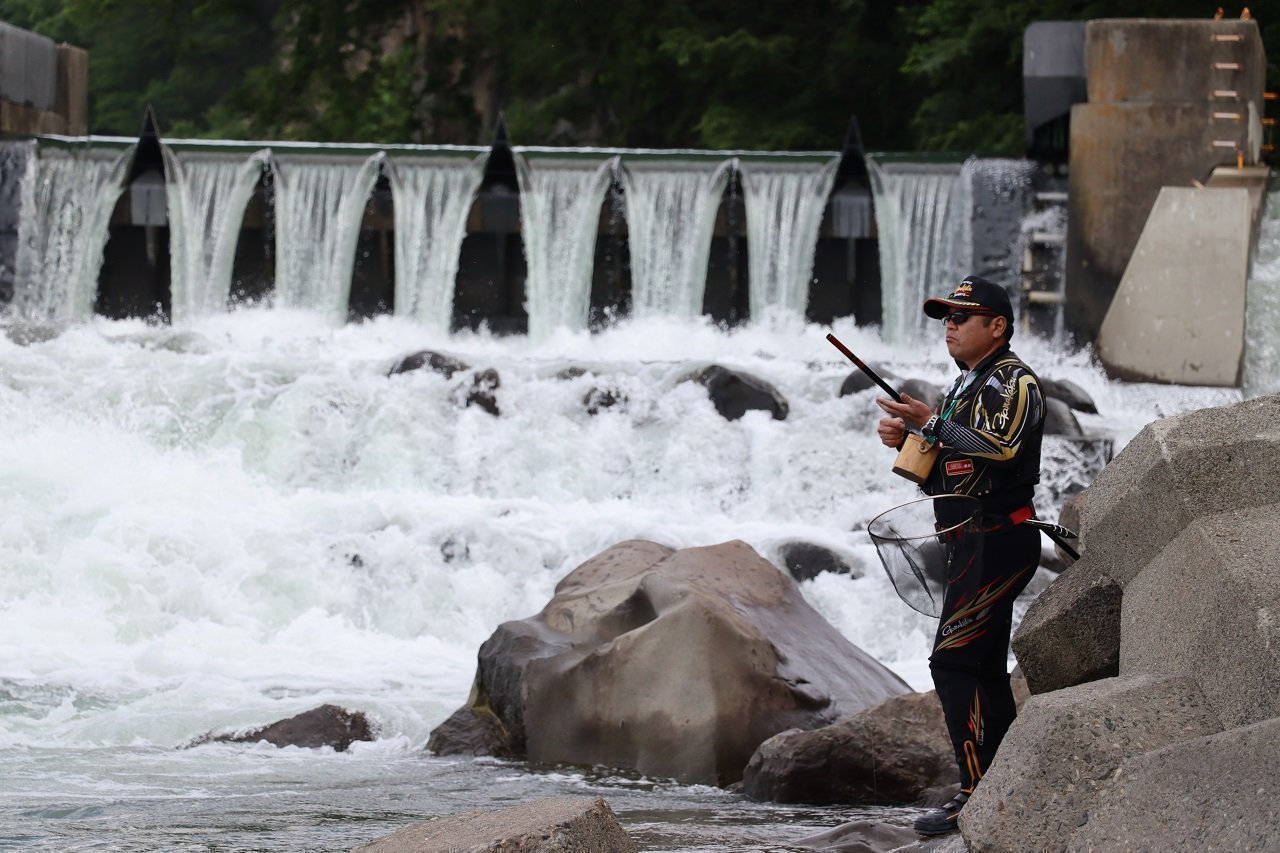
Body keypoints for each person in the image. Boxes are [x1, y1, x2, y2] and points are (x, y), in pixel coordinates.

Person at [874, 275, 1045, 836]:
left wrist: (932, 424)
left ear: (997, 326)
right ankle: (1001, 784)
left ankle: (973, 793)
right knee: (985, 668)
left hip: (999, 541)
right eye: (945, 317)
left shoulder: (1015, 381)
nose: (949, 325)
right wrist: (907, 444)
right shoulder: (963, 387)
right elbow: (947, 479)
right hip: (969, 543)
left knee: (950, 663)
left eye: (960, 317)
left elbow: (1001, 449)